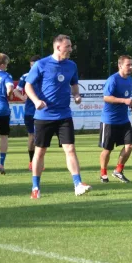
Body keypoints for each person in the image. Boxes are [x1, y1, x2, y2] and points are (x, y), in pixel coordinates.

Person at [25, 34, 91, 198]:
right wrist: (36, 101)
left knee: (70, 149)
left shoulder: (71, 65)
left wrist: (76, 95)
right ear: (58, 47)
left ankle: (77, 184)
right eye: (68, 46)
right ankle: (35, 188)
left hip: (64, 115)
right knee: (40, 152)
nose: (70, 49)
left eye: (70, 46)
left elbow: (74, 84)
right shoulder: (41, 64)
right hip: (43, 116)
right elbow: (27, 86)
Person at [99, 55, 132, 183]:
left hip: (123, 120)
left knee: (129, 145)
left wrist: (131, 104)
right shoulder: (113, 79)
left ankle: (118, 170)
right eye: (128, 65)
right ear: (120, 66)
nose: (130, 67)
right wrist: (124, 100)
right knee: (107, 149)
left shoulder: (130, 80)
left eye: (131, 64)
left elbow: (126, 98)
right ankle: (103, 173)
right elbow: (106, 97)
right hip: (109, 120)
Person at [14, 55, 40, 170]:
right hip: (31, 112)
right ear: (30, 65)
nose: (33, 67)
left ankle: (36, 162)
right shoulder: (25, 76)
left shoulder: (44, 75)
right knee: (33, 136)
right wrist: (22, 98)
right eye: (32, 65)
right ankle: (32, 162)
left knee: (38, 137)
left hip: (42, 111)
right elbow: (16, 90)